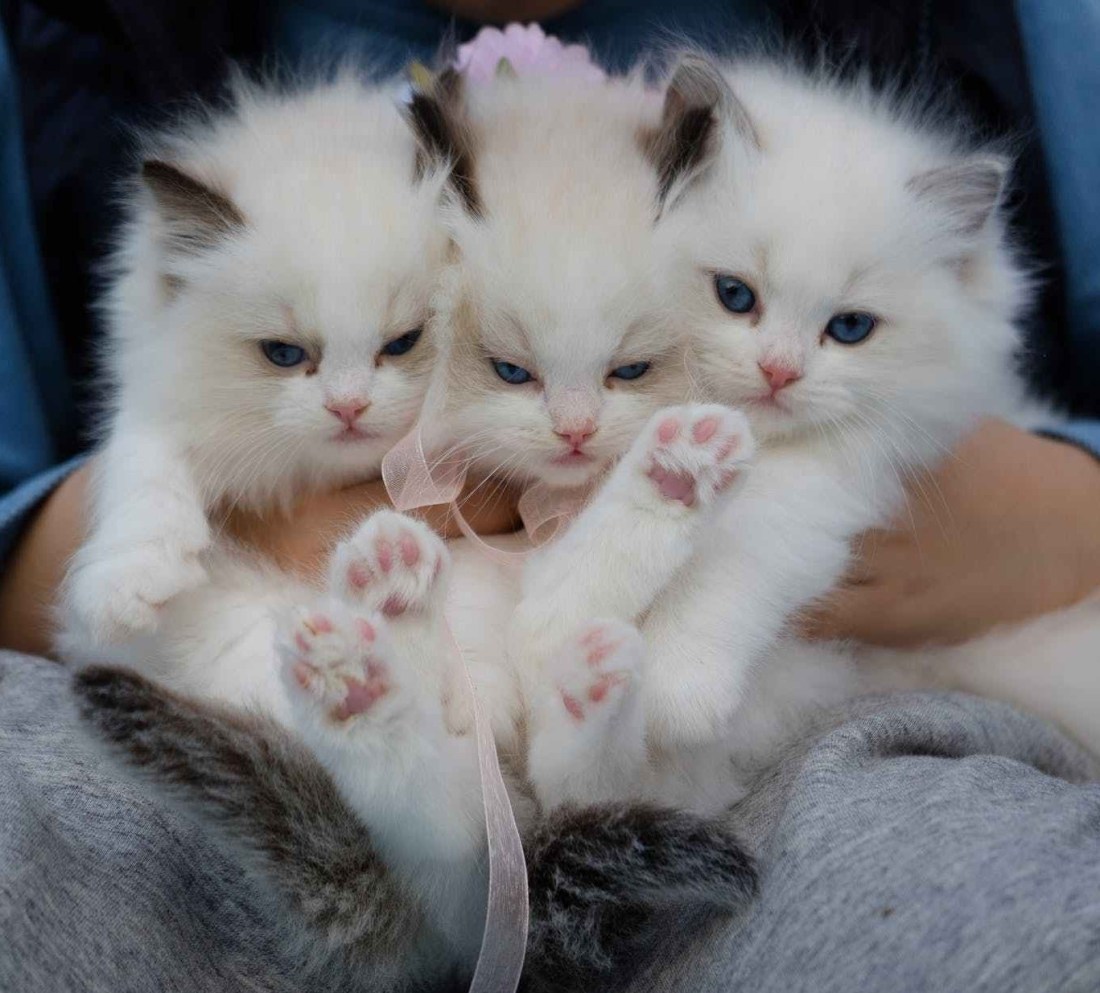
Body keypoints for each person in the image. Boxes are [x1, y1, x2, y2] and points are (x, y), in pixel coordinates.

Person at [0, 3, 1098, 992]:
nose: (773, 362)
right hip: (233, 732)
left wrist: (1054, 509)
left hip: (828, 732)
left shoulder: (998, 46)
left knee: (998, 916)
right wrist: (207, 511)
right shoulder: (82, 51)